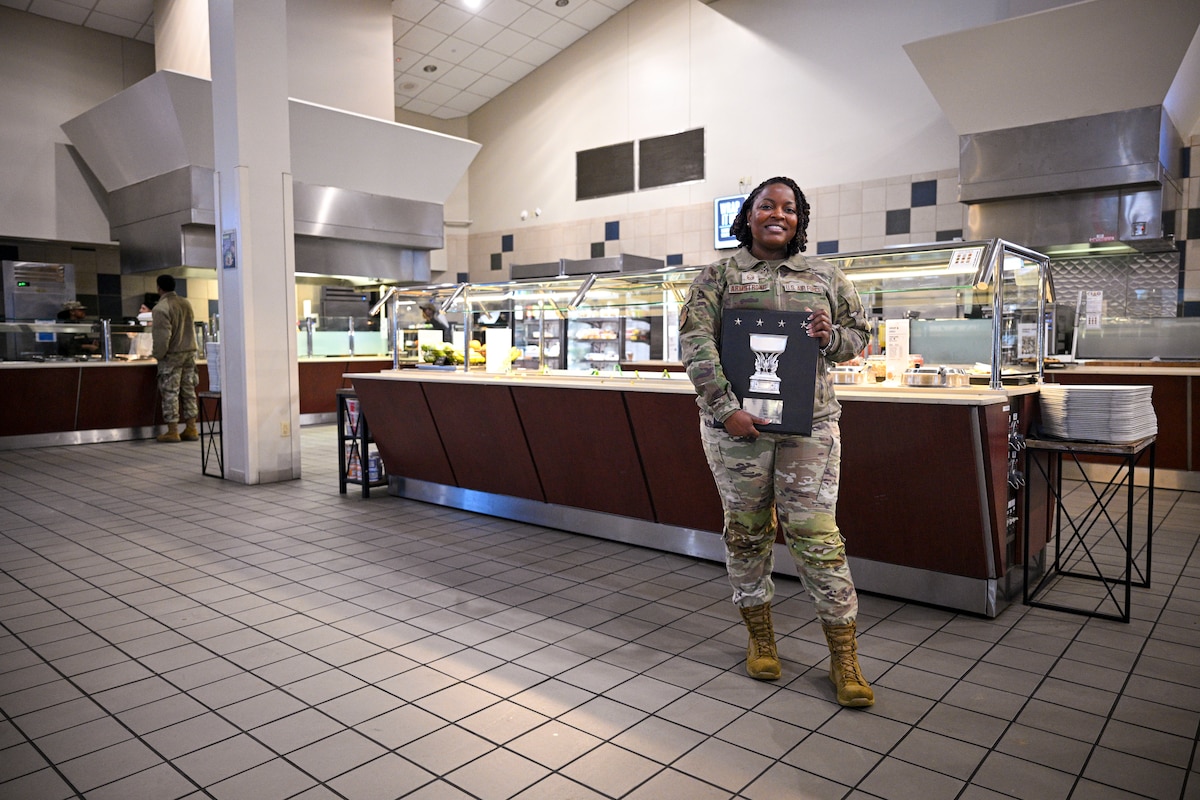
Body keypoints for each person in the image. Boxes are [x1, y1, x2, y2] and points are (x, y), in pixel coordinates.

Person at [679, 176, 875, 707]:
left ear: (799, 220)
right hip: (737, 430)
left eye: (789, 209)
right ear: (749, 214)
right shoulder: (718, 276)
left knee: (816, 535)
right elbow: (696, 345)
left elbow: (861, 335)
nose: (778, 215)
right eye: (767, 205)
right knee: (746, 532)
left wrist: (831, 337)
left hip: (809, 428)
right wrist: (726, 411)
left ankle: (844, 656)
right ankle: (761, 638)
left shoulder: (825, 276)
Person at [151, 274, 199, 443]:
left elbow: (162, 337)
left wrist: (157, 355)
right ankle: (191, 428)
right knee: (189, 391)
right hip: (190, 353)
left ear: (159, 288)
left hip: (172, 356)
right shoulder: (186, 303)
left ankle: (173, 431)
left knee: (170, 392)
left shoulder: (160, 308)